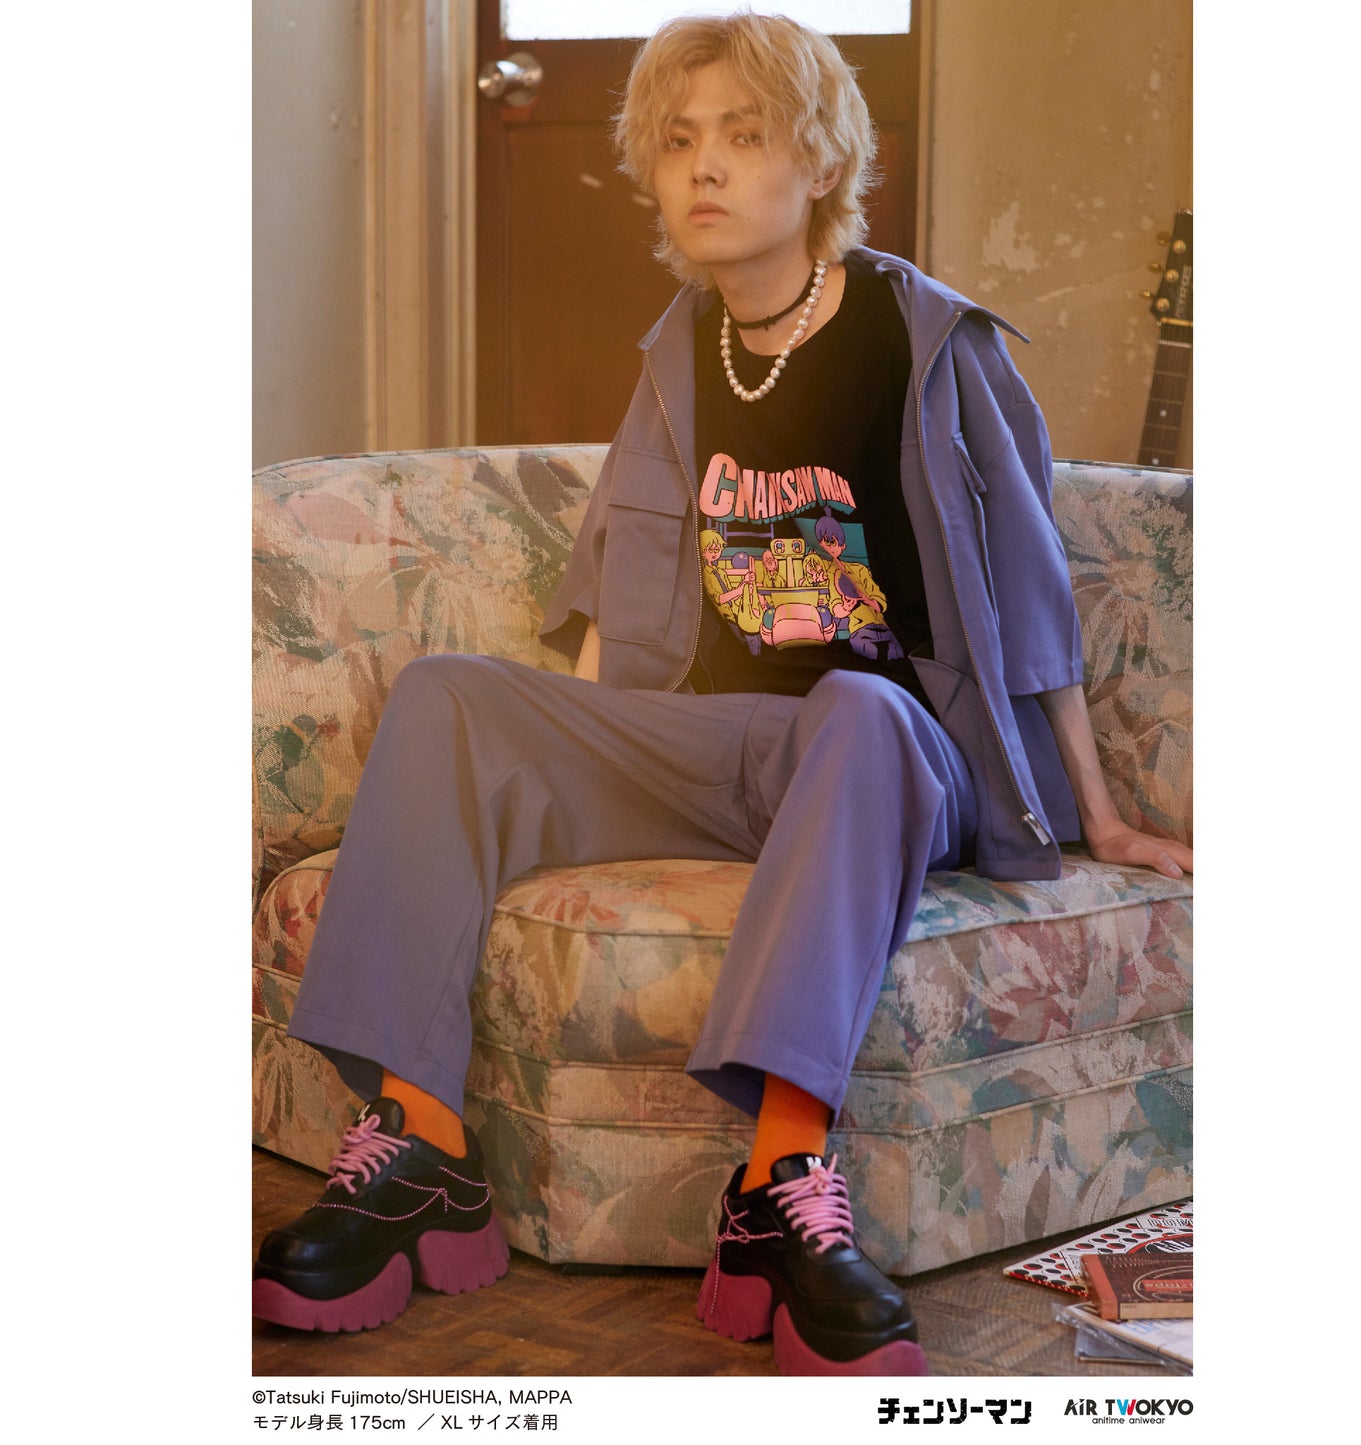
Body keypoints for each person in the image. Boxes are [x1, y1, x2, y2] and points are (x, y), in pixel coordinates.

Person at [252, 9, 1193, 1377]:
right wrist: (568, 759)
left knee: (859, 708)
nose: (703, 167)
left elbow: (1029, 598)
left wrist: (1098, 819)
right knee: (452, 692)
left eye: (744, 137)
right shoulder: (680, 351)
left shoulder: (924, 335)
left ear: (819, 164)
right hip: (720, 749)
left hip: (889, 755)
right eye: (679, 140)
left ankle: (780, 1186)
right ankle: (419, 1151)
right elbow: (612, 595)